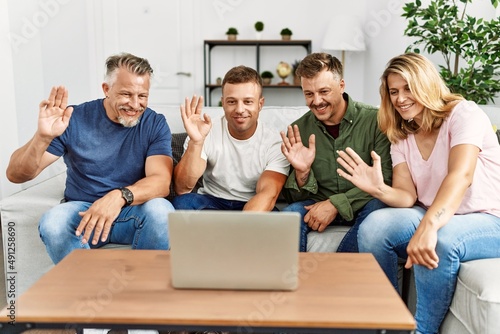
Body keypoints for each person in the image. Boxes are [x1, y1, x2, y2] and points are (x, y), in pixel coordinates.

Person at [336, 52, 500, 334]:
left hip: (487, 218)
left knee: (439, 239)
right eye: (394, 91)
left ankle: (422, 330)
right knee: (375, 226)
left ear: (426, 84)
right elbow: (406, 196)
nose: (400, 99)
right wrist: (378, 189)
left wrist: (428, 226)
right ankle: (386, 323)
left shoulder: (464, 114)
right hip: (435, 213)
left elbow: (460, 175)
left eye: (408, 88)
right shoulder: (402, 135)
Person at [6, 52, 175, 264]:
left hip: (130, 213)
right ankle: (92, 292)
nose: (135, 104)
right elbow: (16, 175)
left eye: (142, 96)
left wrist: (118, 197)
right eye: (126, 94)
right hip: (82, 213)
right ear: (106, 89)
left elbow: (160, 182)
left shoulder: (154, 123)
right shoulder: (74, 118)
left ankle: (138, 290)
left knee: (162, 212)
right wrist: (41, 138)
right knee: (54, 222)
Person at [280, 52, 392, 252]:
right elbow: (293, 198)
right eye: (309, 94)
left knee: (378, 211)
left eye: (324, 91)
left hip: (365, 203)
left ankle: (338, 277)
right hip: (317, 202)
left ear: (341, 86)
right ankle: (290, 282)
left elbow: (387, 180)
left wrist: (335, 205)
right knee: (288, 216)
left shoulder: (376, 121)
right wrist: (302, 173)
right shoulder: (299, 130)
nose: (317, 101)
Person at [172, 65, 289, 211]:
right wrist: (196, 142)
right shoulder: (205, 130)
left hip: (253, 204)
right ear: (223, 103)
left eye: (248, 102)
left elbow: (268, 194)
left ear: (260, 104)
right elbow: (182, 188)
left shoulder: (275, 142)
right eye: (232, 102)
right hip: (211, 201)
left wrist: (236, 228)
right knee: (183, 203)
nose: (240, 110)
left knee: (275, 218)